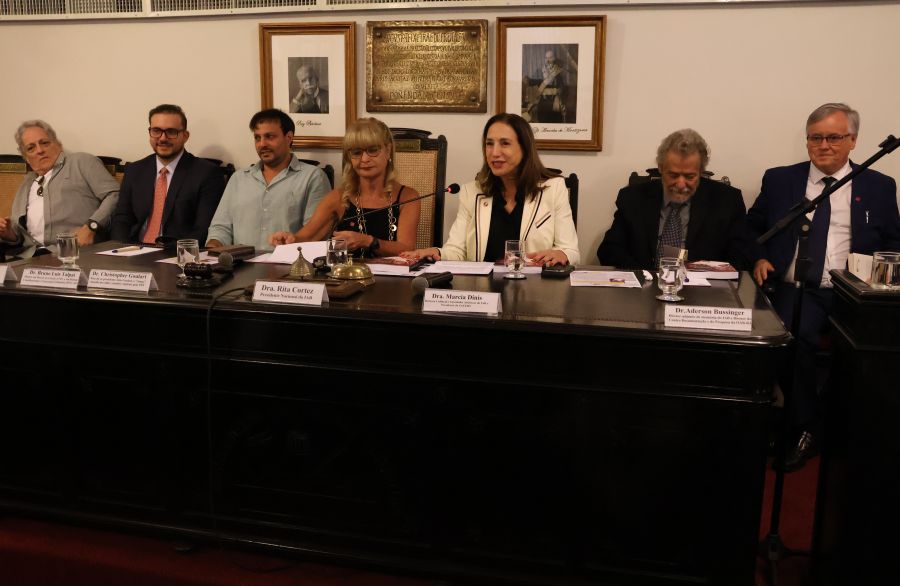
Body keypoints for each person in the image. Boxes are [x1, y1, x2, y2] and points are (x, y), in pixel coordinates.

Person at [746, 102, 900, 472]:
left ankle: (856, 433)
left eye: (833, 137)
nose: (824, 145)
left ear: (853, 141)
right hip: (798, 286)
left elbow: (894, 241)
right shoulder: (780, 180)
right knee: (790, 337)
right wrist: (758, 257)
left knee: (876, 351)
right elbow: (751, 228)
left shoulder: (879, 186)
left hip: (856, 291)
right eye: (815, 138)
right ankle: (806, 427)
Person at [401, 112, 579, 266]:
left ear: (524, 148)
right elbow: (457, 251)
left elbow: (571, 251)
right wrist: (436, 252)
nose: (494, 153)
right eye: (489, 143)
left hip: (532, 289)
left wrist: (561, 254)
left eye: (505, 143)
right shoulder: (471, 192)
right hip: (482, 290)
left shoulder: (553, 189)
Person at [597, 129, 749, 270]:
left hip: (703, 287)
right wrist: (644, 276)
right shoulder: (633, 198)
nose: (681, 184)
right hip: (643, 285)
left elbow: (741, 257)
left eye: (690, 176)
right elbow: (609, 250)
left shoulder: (727, 201)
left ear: (701, 171)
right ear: (661, 168)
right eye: (673, 175)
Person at [269, 117, 420, 257]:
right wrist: (289, 239)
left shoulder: (408, 197)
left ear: (388, 151)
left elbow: (407, 248)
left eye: (373, 150)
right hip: (346, 275)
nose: (364, 159)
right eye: (357, 152)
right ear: (349, 157)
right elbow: (307, 237)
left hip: (394, 275)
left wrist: (367, 241)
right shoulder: (338, 197)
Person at [206, 109, 330, 252]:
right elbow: (220, 228)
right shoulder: (238, 179)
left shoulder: (313, 177)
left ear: (289, 137)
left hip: (289, 264)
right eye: (257, 138)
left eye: (269, 137)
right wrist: (213, 246)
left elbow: (315, 234)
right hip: (240, 264)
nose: (262, 144)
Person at [0, 120, 119, 258]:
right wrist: (8, 234)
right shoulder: (26, 184)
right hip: (29, 257)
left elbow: (115, 194)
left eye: (45, 143)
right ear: (26, 158)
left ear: (58, 144)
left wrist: (91, 226)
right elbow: (20, 237)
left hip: (74, 253)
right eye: (31, 148)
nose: (40, 150)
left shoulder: (81, 162)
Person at [111, 104, 225, 245]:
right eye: (156, 131)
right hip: (134, 249)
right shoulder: (134, 170)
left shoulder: (206, 174)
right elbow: (122, 219)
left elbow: (203, 229)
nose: (162, 138)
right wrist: (120, 250)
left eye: (171, 132)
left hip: (176, 252)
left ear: (185, 136)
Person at [523, 48, 576, 124]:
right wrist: (527, 80)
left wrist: (562, 100)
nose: (548, 60)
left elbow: (563, 88)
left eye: (550, 57)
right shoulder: (539, 71)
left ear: (554, 58)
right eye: (546, 58)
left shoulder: (559, 72)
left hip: (555, 103)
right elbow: (532, 82)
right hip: (543, 104)